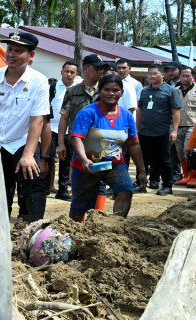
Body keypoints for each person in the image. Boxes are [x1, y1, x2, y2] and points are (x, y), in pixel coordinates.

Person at [0, 32, 50, 221]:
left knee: (32, 181)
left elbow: (37, 120)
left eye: (18, 51)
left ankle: (33, 228)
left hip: (21, 142)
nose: (11, 54)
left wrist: (28, 155)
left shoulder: (39, 81)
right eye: (9, 49)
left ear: (31, 55)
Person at [68, 74, 147, 221]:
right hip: (88, 165)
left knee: (125, 190)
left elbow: (133, 143)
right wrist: (84, 160)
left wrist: (141, 171)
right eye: (107, 90)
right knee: (80, 206)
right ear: (99, 92)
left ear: (121, 93)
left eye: (116, 90)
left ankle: (115, 226)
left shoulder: (127, 116)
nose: (111, 93)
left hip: (113, 163)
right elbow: (76, 138)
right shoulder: (88, 113)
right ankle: (73, 232)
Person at [57, 54, 105, 194]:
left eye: (101, 68)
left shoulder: (106, 91)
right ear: (85, 69)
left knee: (100, 179)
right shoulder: (72, 92)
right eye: (96, 68)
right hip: (77, 141)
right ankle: (79, 212)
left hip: (100, 141)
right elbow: (64, 118)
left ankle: (98, 212)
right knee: (79, 176)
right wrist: (61, 143)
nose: (99, 71)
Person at [135, 64, 182, 195]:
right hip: (145, 131)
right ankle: (141, 183)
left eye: (154, 73)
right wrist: (137, 129)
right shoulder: (144, 91)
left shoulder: (170, 91)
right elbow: (140, 110)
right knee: (142, 159)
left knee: (165, 160)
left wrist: (174, 130)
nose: (151, 76)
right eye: (149, 74)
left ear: (162, 74)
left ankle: (167, 185)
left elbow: (176, 111)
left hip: (163, 131)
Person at [173, 65, 196, 187]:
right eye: (183, 75)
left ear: (193, 76)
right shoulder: (175, 91)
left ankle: (193, 176)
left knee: (189, 150)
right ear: (180, 76)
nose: (185, 78)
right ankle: (186, 176)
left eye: (188, 75)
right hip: (177, 126)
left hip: (193, 125)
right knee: (180, 153)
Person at [50, 61, 79, 200]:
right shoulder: (53, 87)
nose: (69, 74)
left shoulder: (78, 89)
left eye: (72, 72)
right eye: (66, 71)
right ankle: (45, 188)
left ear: (76, 74)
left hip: (69, 131)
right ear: (61, 72)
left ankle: (62, 190)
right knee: (48, 159)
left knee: (65, 162)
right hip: (50, 129)